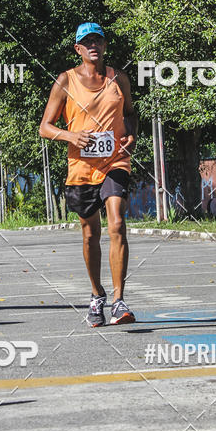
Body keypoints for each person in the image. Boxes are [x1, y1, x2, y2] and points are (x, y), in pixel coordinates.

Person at [39, 22, 138, 326]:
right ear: (78, 49)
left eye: (98, 40)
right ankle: (97, 296)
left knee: (117, 224)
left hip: (115, 162)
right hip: (81, 168)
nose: (94, 45)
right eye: (87, 42)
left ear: (105, 46)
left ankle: (119, 301)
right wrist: (71, 137)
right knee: (90, 234)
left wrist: (131, 134)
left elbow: (132, 114)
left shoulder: (119, 78)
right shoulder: (65, 81)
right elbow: (44, 127)